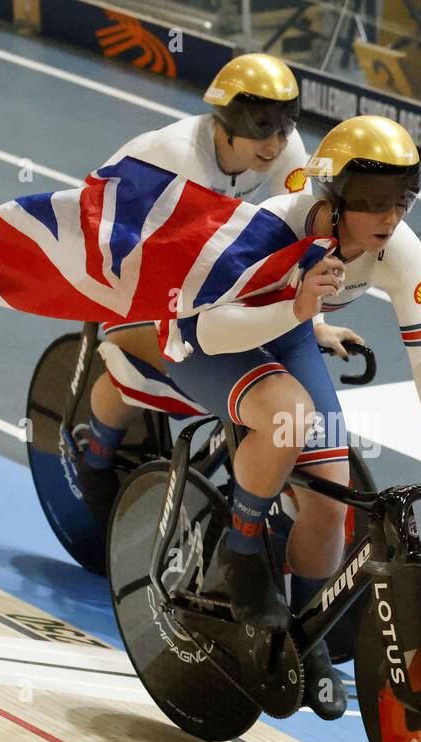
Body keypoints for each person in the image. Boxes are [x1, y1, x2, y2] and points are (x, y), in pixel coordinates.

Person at [166, 115, 421, 720]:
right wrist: (300, 307)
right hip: (205, 334)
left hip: (291, 329)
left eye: (403, 201)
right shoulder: (271, 228)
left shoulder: (399, 249)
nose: (390, 218)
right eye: (375, 204)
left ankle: (307, 645)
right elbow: (209, 326)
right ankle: (241, 551)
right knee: (289, 416)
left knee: (332, 500)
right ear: (331, 198)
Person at [76, 53, 363, 514]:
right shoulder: (177, 158)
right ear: (226, 123)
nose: (274, 143)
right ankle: (94, 454)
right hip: (125, 268)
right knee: (155, 358)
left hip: (204, 270)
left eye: (285, 126)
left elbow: (298, 240)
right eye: (260, 127)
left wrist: (314, 322)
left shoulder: (284, 151)